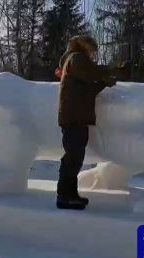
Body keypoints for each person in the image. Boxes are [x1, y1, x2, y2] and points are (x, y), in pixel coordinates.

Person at [56, 35, 123, 210]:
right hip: (73, 117)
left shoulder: (77, 62)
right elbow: (92, 72)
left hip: (77, 116)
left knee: (75, 157)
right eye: (92, 50)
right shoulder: (76, 58)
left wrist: (104, 83)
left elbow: (88, 88)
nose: (93, 54)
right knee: (73, 157)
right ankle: (64, 196)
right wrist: (113, 70)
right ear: (85, 46)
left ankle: (71, 194)